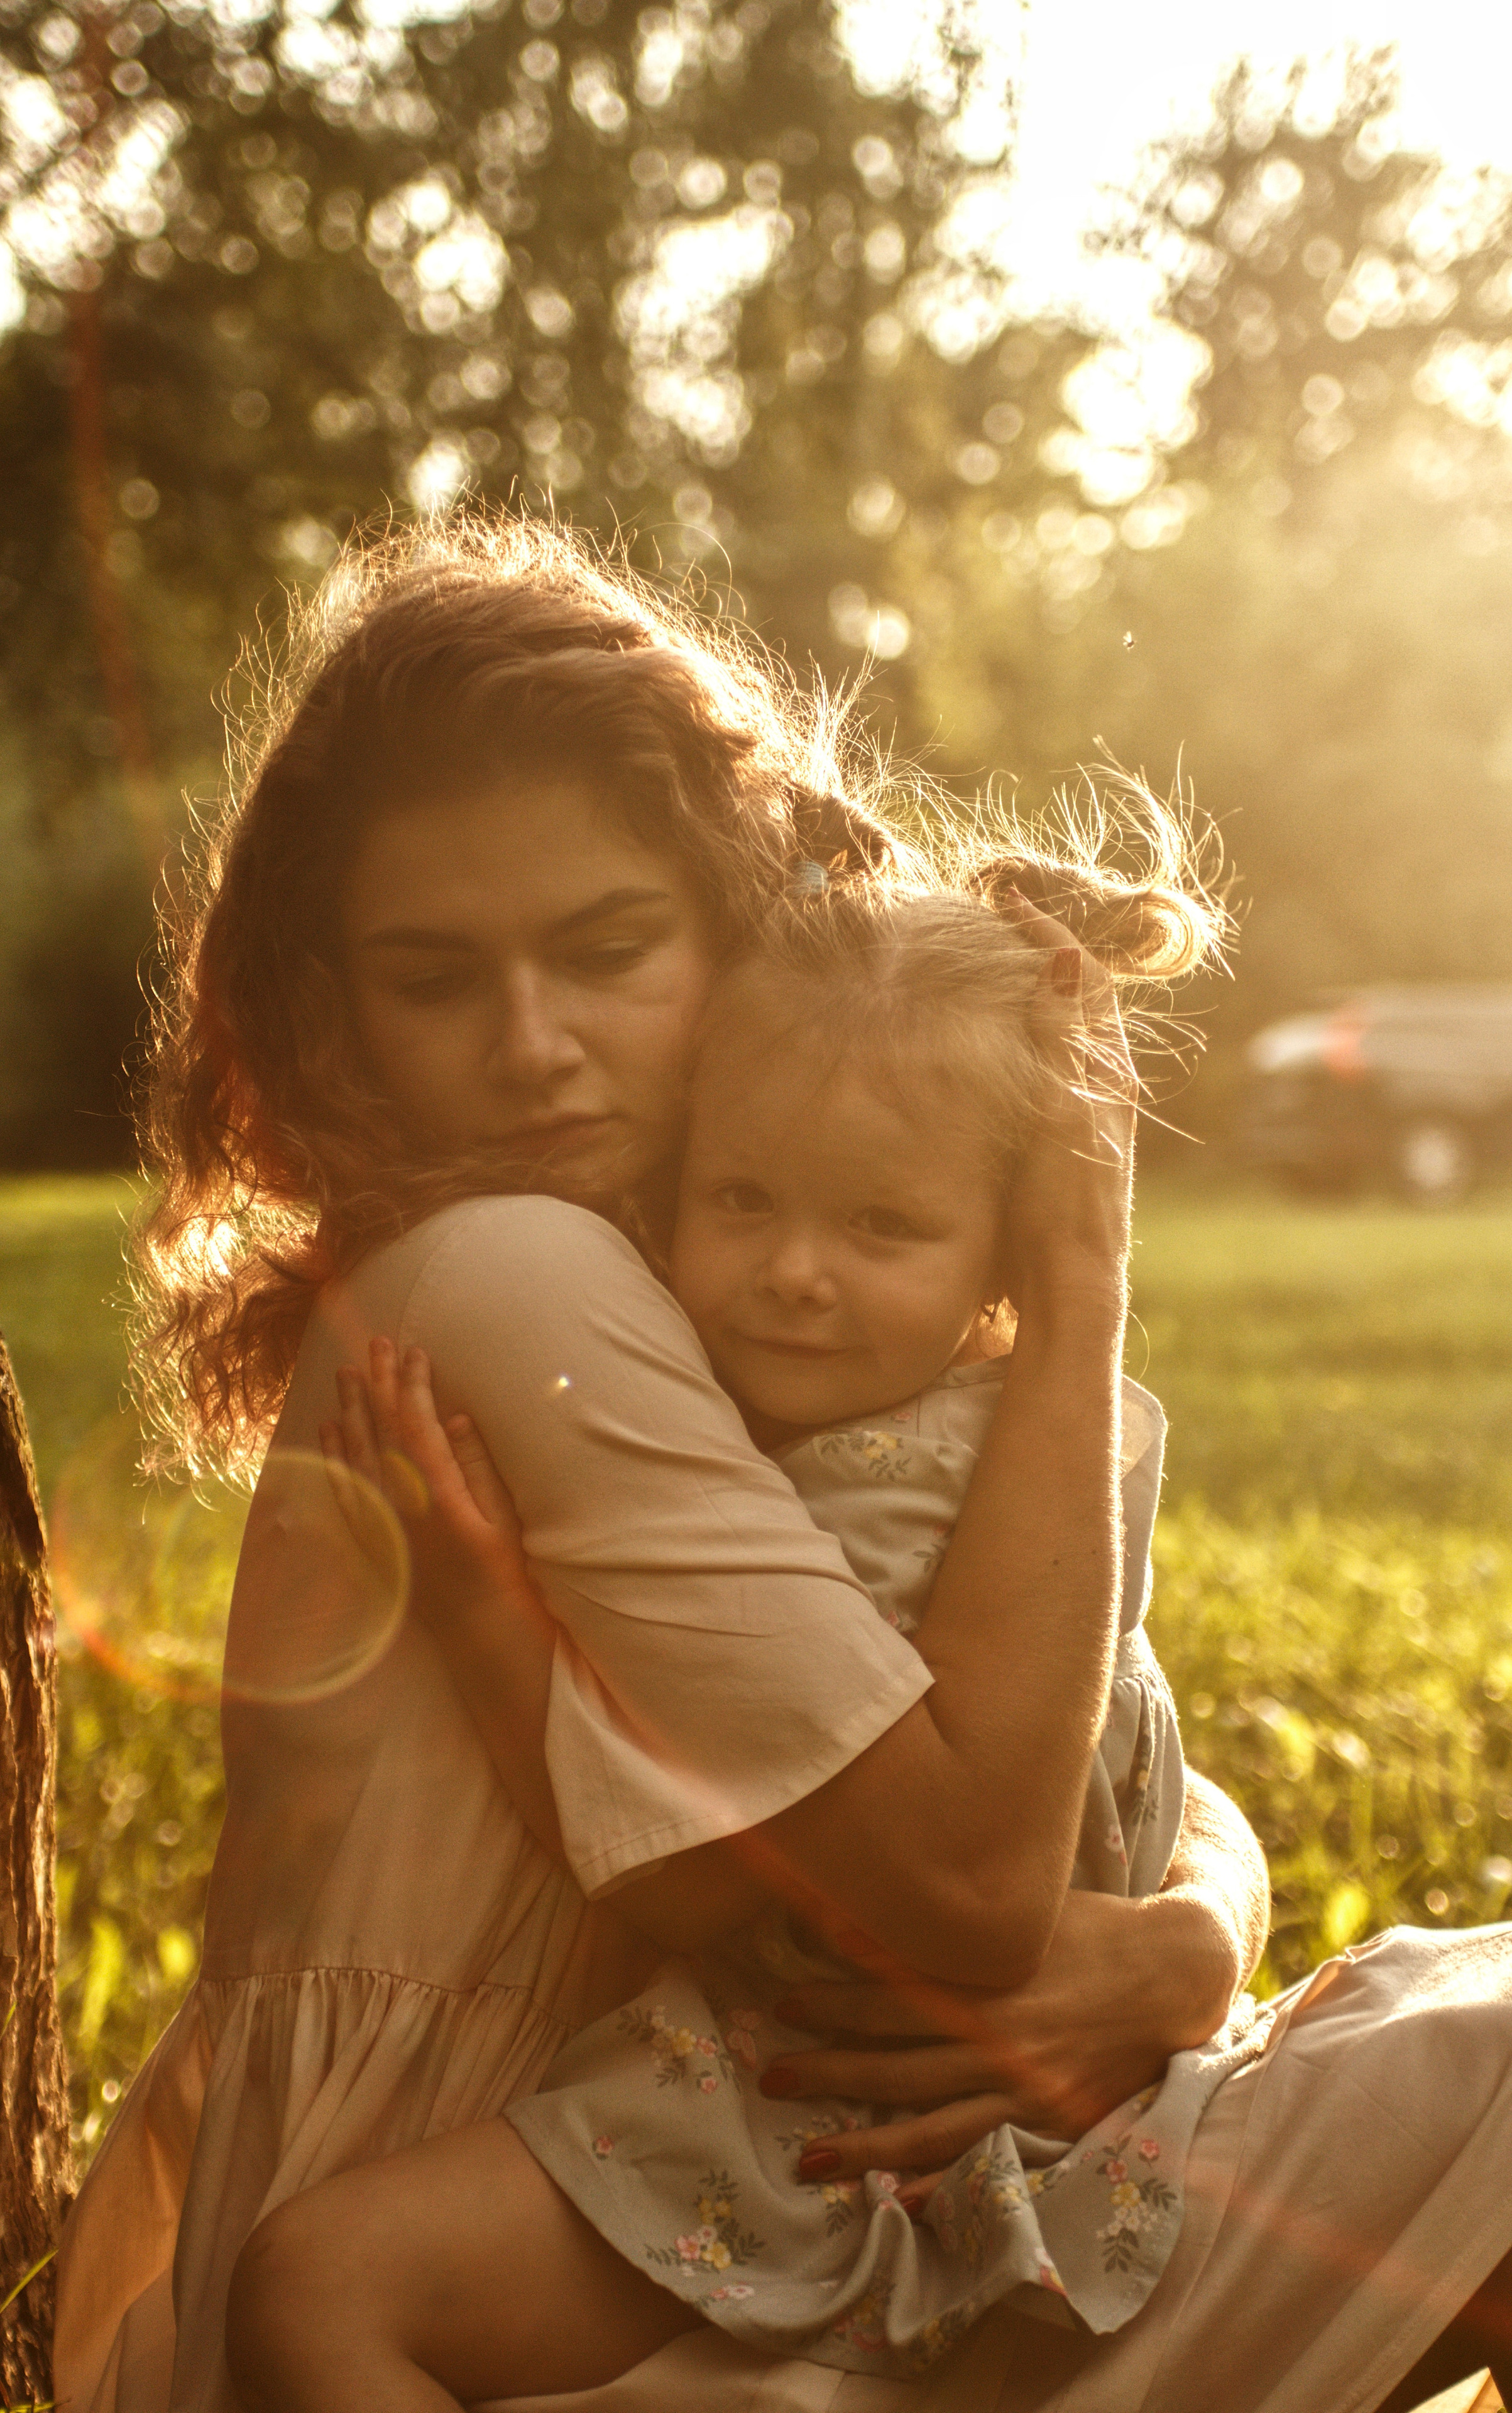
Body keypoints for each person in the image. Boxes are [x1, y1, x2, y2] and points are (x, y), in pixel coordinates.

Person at [52, 518, 1260, 2413]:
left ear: (739, 921)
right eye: (436, 981)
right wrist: (1080, 1272)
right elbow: (954, 1898)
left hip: (747, 2196)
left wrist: (1196, 1934)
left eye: (609, 950)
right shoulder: (516, 1279)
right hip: (539, 2262)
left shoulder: (755, 1330)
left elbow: (1089, 1708)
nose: (537, 1051)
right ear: (336, 1016)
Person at [224, 880, 1278, 2404]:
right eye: (744, 1202)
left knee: (321, 2286)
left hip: (799, 2120)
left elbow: (701, 1893)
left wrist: (484, 1616)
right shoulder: (1037, 1458)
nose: (794, 1270)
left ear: (1005, 1267)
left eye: (881, 1225)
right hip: (1013, 2110)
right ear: (668, 1193)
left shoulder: (891, 1498)